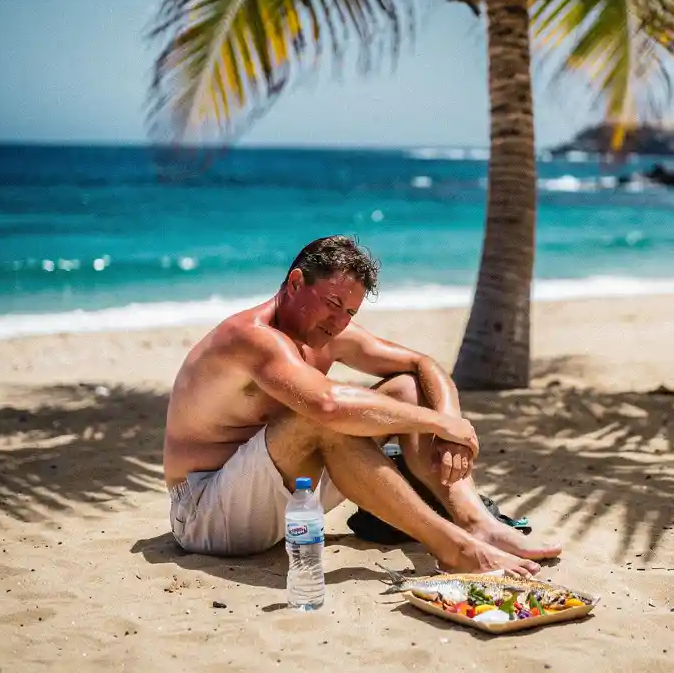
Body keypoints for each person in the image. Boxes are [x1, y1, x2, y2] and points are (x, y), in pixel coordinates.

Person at [163, 235, 562, 575]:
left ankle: (475, 522)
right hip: (206, 514)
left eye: (350, 311)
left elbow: (422, 364)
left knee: (407, 388)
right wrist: (440, 425)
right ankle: (452, 547)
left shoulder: (325, 333)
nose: (339, 322)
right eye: (332, 303)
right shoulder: (252, 337)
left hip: (286, 502)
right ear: (296, 281)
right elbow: (327, 405)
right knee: (320, 417)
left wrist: (450, 423)